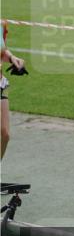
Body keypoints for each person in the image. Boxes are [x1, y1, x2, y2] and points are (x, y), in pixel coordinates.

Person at [1, 20, 27, 159]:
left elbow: (2, 51)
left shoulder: (1, 25)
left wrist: (12, 58)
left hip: (1, 84)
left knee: (5, 135)